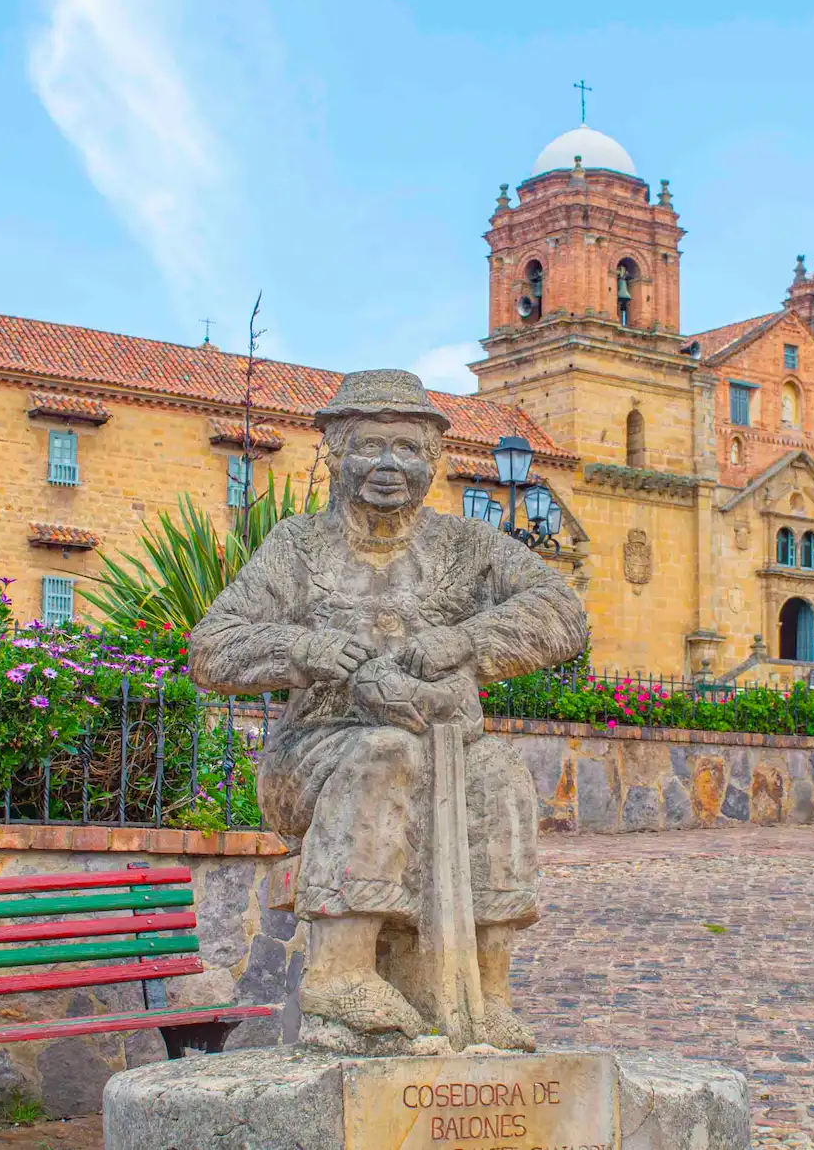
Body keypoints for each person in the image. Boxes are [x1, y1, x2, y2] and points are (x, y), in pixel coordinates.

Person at [190, 370, 587, 1050]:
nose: (387, 465)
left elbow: (563, 611)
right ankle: (339, 976)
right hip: (316, 754)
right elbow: (211, 648)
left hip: (445, 748)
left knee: (499, 774)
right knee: (387, 751)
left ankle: (481, 990)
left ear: (432, 460)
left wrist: (465, 640)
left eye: (406, 448)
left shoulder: (466, 546)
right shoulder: (298, 546)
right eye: (369, 445)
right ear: (337, 453)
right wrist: (304, 648)